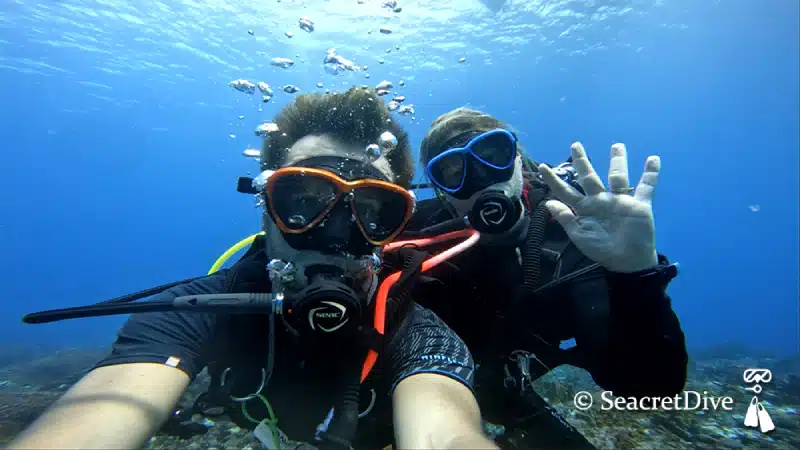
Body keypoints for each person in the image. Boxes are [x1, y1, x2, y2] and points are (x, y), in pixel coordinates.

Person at [10, 90, 499, 450]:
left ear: (394, 227)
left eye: (371, 211)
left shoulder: (413, 330)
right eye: (303, 201)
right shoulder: (197, 310)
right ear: (266, 209)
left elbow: (446, 434)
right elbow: (99, 417)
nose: (334, 235)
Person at [406, 107, 688, 449]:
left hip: (511, 396)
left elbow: (649, 388)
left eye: (493, 156)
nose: (480, 180)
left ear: (519, 163)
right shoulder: (418, 241)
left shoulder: (579, 235)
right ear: (441, 192)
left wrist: (635, 276)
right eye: (452, 172)